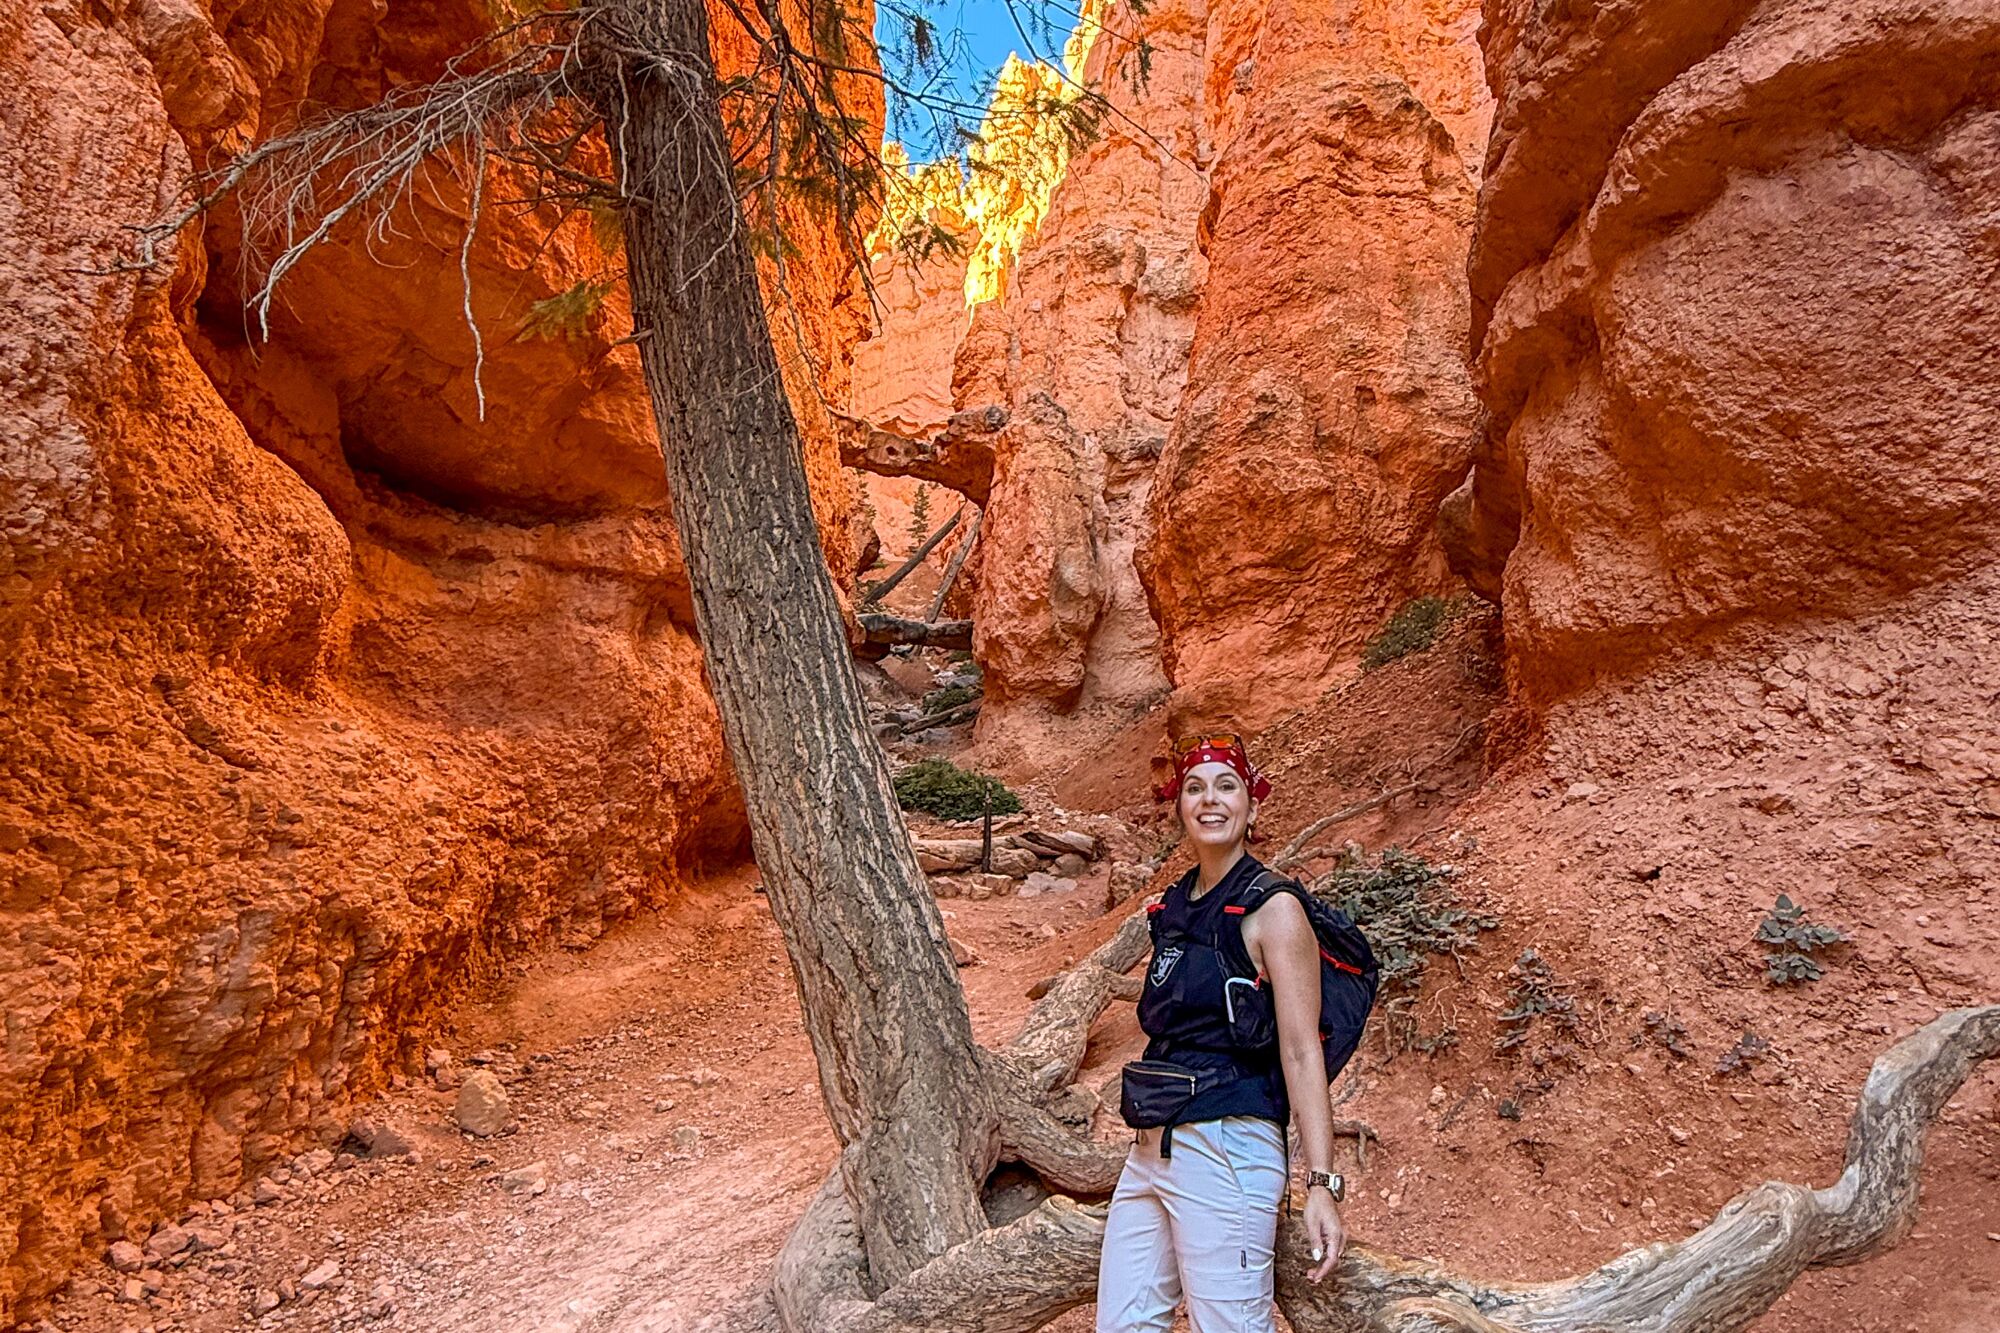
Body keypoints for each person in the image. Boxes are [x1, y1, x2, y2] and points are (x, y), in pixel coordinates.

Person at [1096, 733, 1348, 1332]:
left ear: (1252, 806)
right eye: (1195, 788)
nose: (1211, 800)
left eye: (1227, 786)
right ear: (1180, 807)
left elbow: (1300, 1049)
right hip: (1151, 1150)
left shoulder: (1273, 909)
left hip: (1229, 1150)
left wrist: (1321, 1182)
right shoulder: (1174, 905)